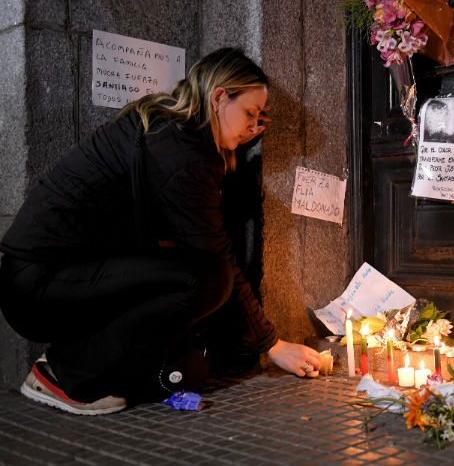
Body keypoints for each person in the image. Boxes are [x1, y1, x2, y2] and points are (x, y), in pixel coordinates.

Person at [0, 47, 321, 415]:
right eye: (249, 113)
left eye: (260, 117)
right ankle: (65, 375)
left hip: (57, 275)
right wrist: (272, 344)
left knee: (190, 336)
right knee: (207, 278)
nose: (254, 125)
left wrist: (233, 146)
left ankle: (81, 366)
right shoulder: (181, 150)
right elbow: (214, 252)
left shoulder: (177, 134)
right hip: (39, 284)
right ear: (219, 97)